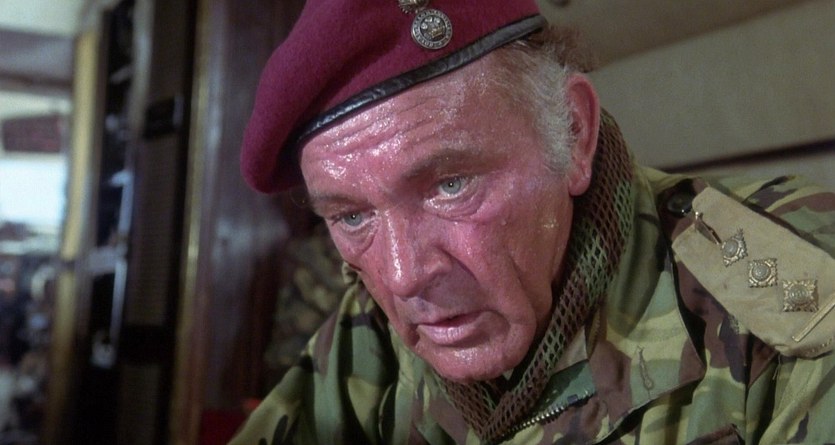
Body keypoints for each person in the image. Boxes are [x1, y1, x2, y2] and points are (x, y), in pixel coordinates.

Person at [230, 0, 835, 443]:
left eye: (450, 184)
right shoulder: (371, 330)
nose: (404, 274)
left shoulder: (787, 306)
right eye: (351, 215)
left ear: (573, 133)